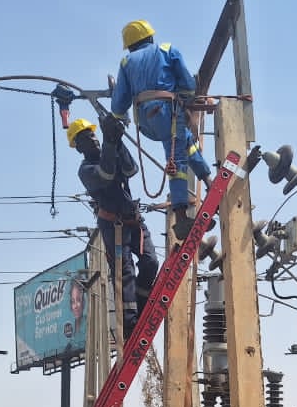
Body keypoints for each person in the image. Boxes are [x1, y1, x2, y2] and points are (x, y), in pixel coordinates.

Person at [110, 19, 215, 237]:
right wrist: (187, 97)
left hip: (146, 123)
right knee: (176, 159)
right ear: (150, 37)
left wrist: (119, 118)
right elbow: (187, 82)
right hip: (167, 111)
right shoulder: (166, 50)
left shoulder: (126, 62)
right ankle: (181, 217)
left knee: (186, 144)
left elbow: (119, 101)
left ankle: (208, 180)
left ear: (130, 45)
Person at [67, 117, 159, 339]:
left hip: (133, 220)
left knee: (150, 262)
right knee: (125, 271)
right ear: (79, 147)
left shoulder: (110, 149)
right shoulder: (86, 170)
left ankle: (141, 307)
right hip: (113, 226)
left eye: (94, 134)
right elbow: (106, 175)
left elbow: (131, 169)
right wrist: (109, 142)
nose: (94, 139)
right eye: (87, 137)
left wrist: (117, 141)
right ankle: (128, 325)